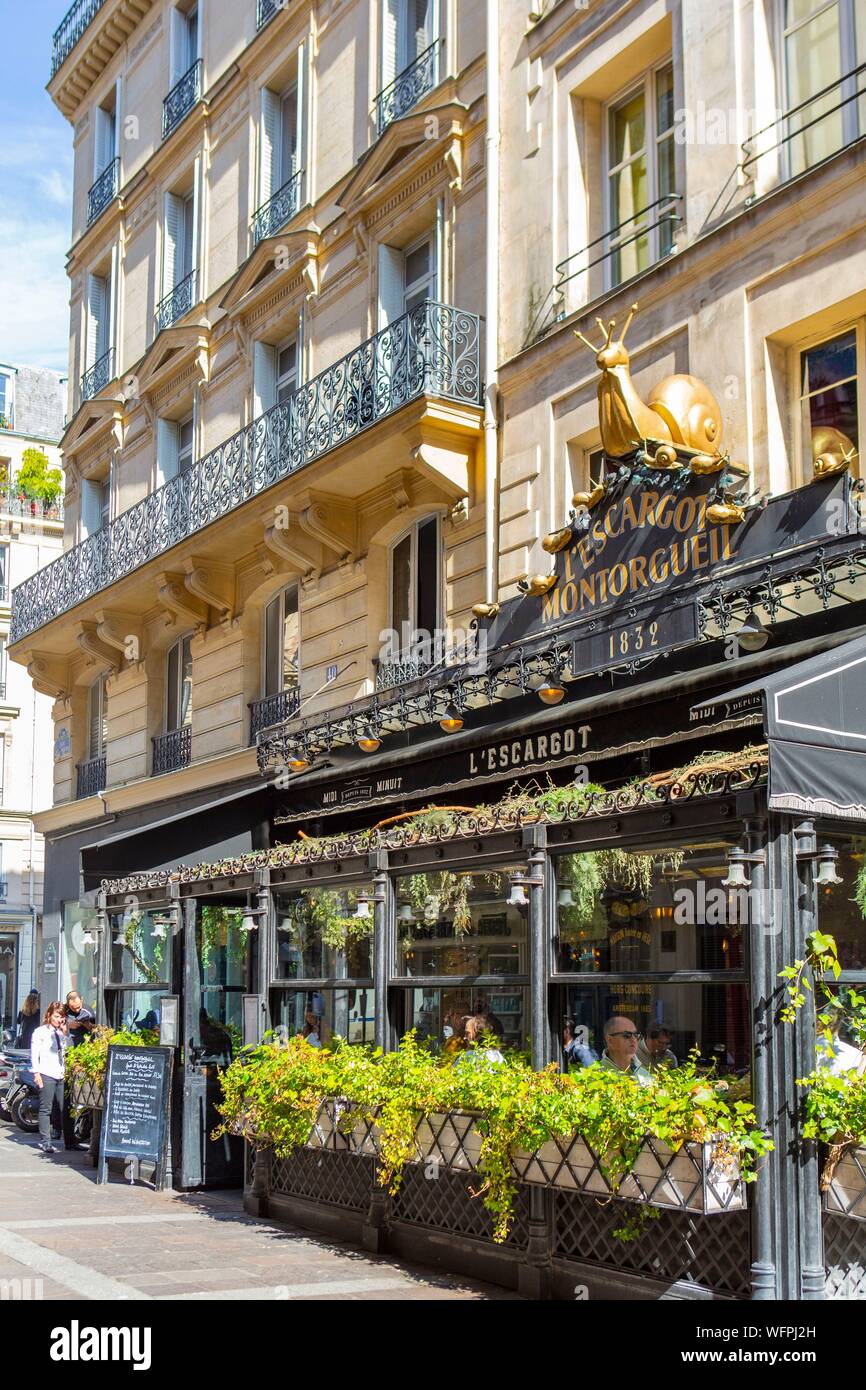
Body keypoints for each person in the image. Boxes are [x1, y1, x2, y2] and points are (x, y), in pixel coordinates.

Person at [30, 1002, 69, 1155]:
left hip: (61, 1072)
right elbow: (35, 1053)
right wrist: (36, 1073)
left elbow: (69, 1050)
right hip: (46, 1072)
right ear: (49, 1016)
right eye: (57, 1016)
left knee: (64, 1107)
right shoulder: (40, 1032)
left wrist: (66, 1034)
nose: (59, 1020)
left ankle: (69, 1139)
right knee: (46, 1108)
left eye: (62, 1017)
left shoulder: (62, 1032)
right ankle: (46, 1141)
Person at [597, 1016, 652, 1084]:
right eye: (627, 1035)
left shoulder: (644, 1073)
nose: (633, 1040)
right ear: (610, 1040)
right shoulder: (597, 1076)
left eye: (636, 1035)